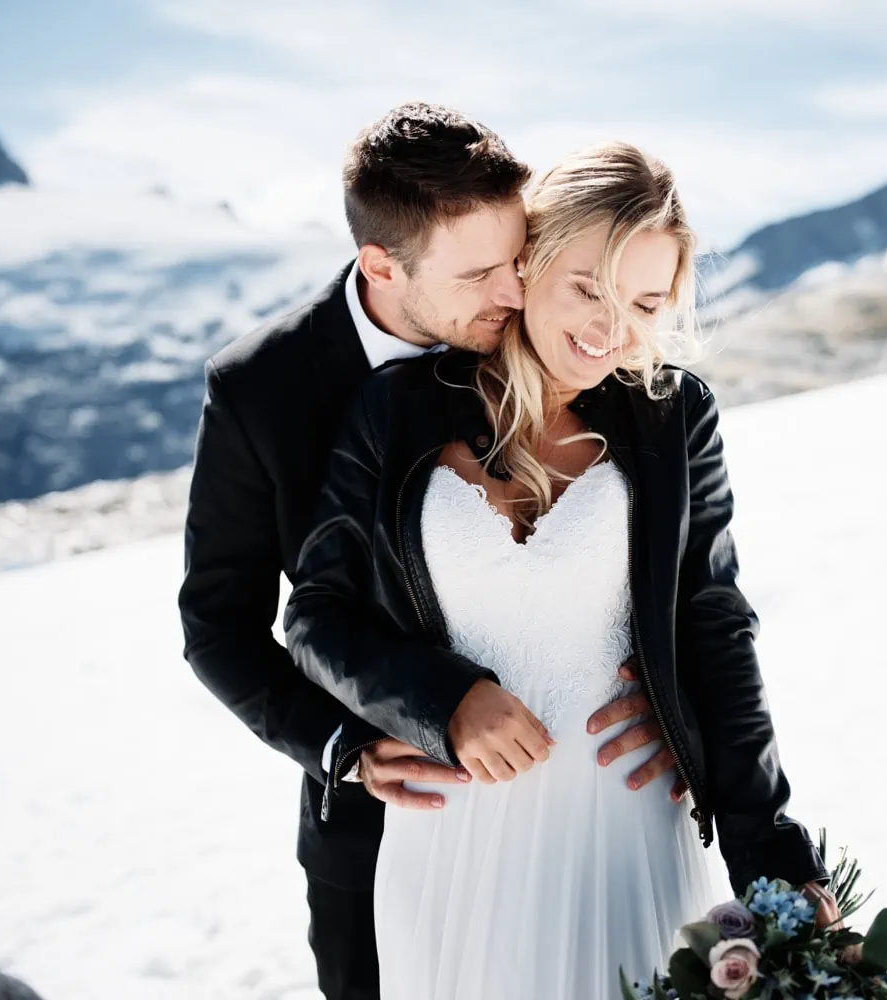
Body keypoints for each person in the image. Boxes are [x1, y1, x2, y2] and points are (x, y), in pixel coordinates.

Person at [282, 141, 834, 1000]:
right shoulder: (396, 409)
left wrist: (770, 854)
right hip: (451, 837)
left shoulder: (673, 416)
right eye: (588, 288)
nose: (612, 329)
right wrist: (439, 700)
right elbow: (316, 615)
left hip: (627, 832)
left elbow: (713, 624)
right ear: (529, 263)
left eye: (646, 302)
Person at [178, 104, 685, 1000]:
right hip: (386, 811)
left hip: (592, 807)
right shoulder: (260, 390)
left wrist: (663, 684)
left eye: (520, 257)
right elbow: (221, 627)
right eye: (484, 273)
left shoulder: (563, 357)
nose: (516, 290)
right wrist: (348, 745)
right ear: (383, 266)